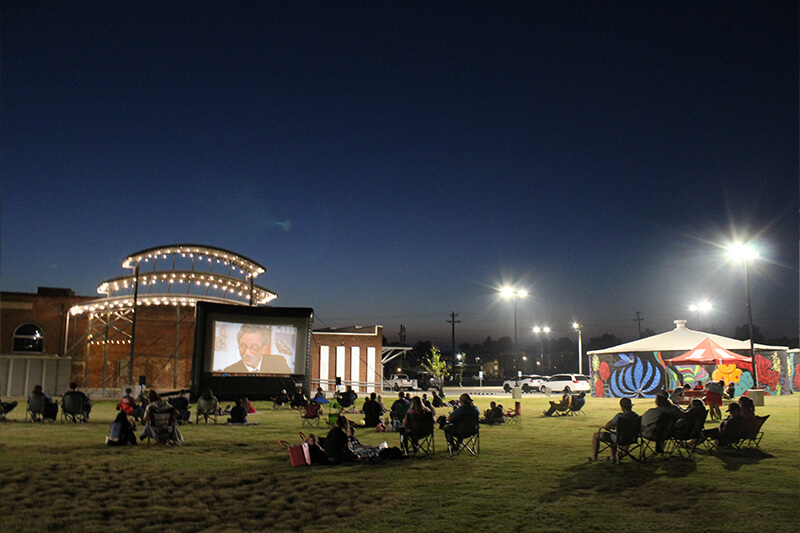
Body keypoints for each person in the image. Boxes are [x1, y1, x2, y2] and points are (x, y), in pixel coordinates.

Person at [223, 324, 291, 373]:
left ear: (264, 347)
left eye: (254, 347)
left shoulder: (279, 363)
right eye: (243, 346)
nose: (247, 353)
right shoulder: (229, 371)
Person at [590, 397, 640, 462]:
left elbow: (607, 426)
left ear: (622, 407)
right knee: (614, 435)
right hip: (631, 439)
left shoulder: (620, 416)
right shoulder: (637, 416)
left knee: (596, 435)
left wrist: (613, 426)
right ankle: (612, 457)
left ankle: (594, 457)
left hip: (619, 438)